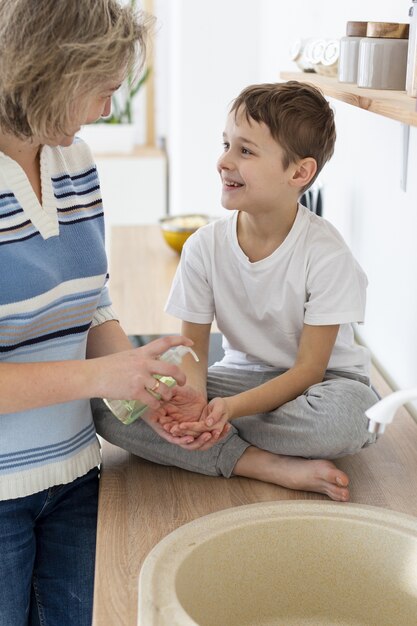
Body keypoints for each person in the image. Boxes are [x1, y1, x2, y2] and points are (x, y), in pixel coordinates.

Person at [0, 1, 195, 624]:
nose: (108, 110)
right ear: (48, 71)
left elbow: (92, 304)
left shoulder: (74, 161)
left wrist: (143, 395)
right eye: (101, 90)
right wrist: (105, 379)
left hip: (78, 475)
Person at [94, 81, 378, 503]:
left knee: (350, 420)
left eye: (245, 151)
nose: (223, 161)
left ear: (299, 173)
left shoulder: (326, 254)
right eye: (226, 144)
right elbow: (193, 352)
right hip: (241, 380)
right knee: (110, 408)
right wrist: (193, 400)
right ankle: (262, 463)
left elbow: (308, 372)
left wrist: (225, 411)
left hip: (324, 387)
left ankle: (222, 443)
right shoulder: (204, 247)